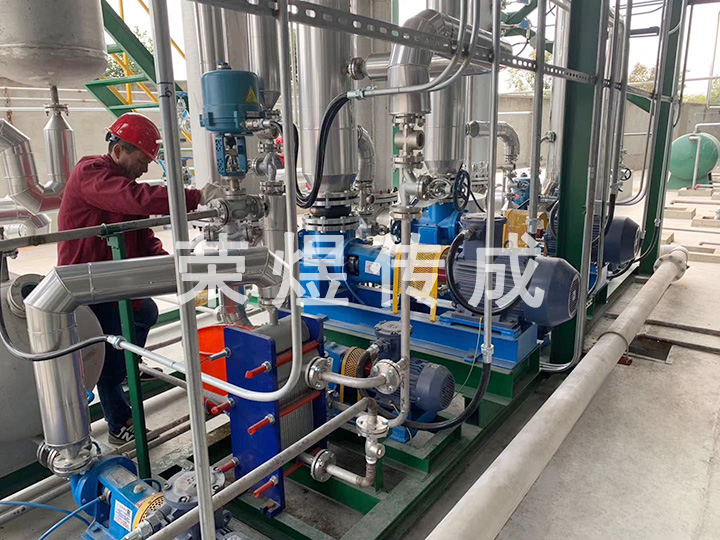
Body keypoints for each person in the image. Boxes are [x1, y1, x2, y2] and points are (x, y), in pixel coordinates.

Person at [57, 112, 222, 444]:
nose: (145, 169)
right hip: (87, 282)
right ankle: (119, 423)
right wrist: (196, 196)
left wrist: (171, 263)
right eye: (142, 160)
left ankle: (127, 369)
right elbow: (136, 199)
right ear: (119, 150)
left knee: (145, 311)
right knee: (109, 350)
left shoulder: (120, 186)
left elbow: (142, 233)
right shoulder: (92, 173)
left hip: (114, 278)